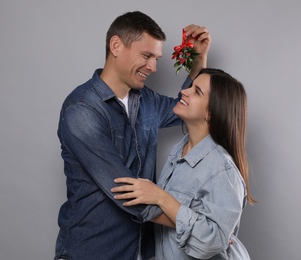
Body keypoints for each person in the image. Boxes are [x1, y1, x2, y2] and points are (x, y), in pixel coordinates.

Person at [54, 10, 211, 260]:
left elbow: (187, 110)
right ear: (116, 45)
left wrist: (198, 62)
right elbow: (127, 193)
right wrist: (202, 227)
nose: (154, 67)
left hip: (139, 251)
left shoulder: (146, 99)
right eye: (147, 55)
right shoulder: (81, 110)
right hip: (91, 251)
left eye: (156, 58)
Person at [112, 68, 256, 259]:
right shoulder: (179, 151)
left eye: (197, 91)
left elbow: (213, 242)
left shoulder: (222, 170)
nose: (184, 91)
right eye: (191, 86)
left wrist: (162, 198)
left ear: (211, 113)